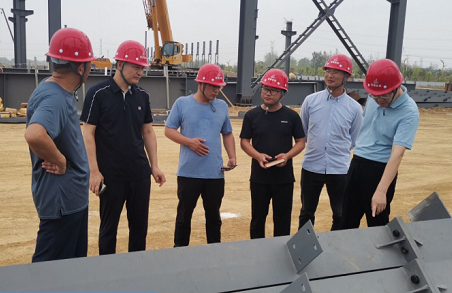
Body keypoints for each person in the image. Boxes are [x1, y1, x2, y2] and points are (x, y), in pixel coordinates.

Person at [81, 40, 165, 255]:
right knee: (108, 229)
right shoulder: (98, 94)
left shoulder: (142, 95)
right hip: (110, 176)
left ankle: (137, 271)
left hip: (139, 174)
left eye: (142, 67)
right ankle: (107, 271)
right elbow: (88, 133)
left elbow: (148, 132)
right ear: (120, 64)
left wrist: (154, 166)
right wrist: (94, 171)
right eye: (136, 66)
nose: (140, 72)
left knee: (139, 229)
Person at [24, 27, 94, 262]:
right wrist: (60, 161)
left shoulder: (54, 88)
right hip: (62, 202)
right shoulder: (55, 98)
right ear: (80, 68)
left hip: (69, 200)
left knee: (71, 269)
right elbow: (35, 134)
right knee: (48, 272)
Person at [339, 58, 419, 229]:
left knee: (378, 225)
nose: (378, 100)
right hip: (357, 163)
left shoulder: (409, 112)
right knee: (346, 221)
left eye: (383, 96)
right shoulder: (374, 96)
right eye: (373, 95)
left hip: (380, 170)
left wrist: (381, 191)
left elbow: (397, 154)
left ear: (396, 87)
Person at [164, 63, 237, 247]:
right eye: (212, 86)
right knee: (184, 217)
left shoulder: (222, 106)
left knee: (214, 218)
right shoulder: (182, 104)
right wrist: (189, 142)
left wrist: (232, 156)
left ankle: (214, 252)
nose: (216, 90)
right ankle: (180, 252)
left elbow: (227, 133)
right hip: (189, 173)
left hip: (215, 173)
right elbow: (168, 130)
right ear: (200, 84)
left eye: (219, 87)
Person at [298, 54, 363, 231]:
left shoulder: (355, 108)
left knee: (341, 213)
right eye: (328, 71)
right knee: (306, 212)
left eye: (336, 72)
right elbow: (304, 131)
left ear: (347, 77)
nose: (330, 75)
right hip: (312, 166)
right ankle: (304, 246)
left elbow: (354, 138)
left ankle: (335, 245)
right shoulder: (311, 101)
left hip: (340, 169)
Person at [240, 69, 305, 239]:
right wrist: (257, 156)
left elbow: (301, 142)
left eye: (273, 90)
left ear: (283, 93)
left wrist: (287, 155)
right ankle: (257, 249)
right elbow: (244, 141)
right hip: (259, 178)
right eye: (265, 89)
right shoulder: (252, 116)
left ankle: (280, 250)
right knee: (257, 219)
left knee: (282, 220)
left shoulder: (291, 116)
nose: (268, 93)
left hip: (284, 179)